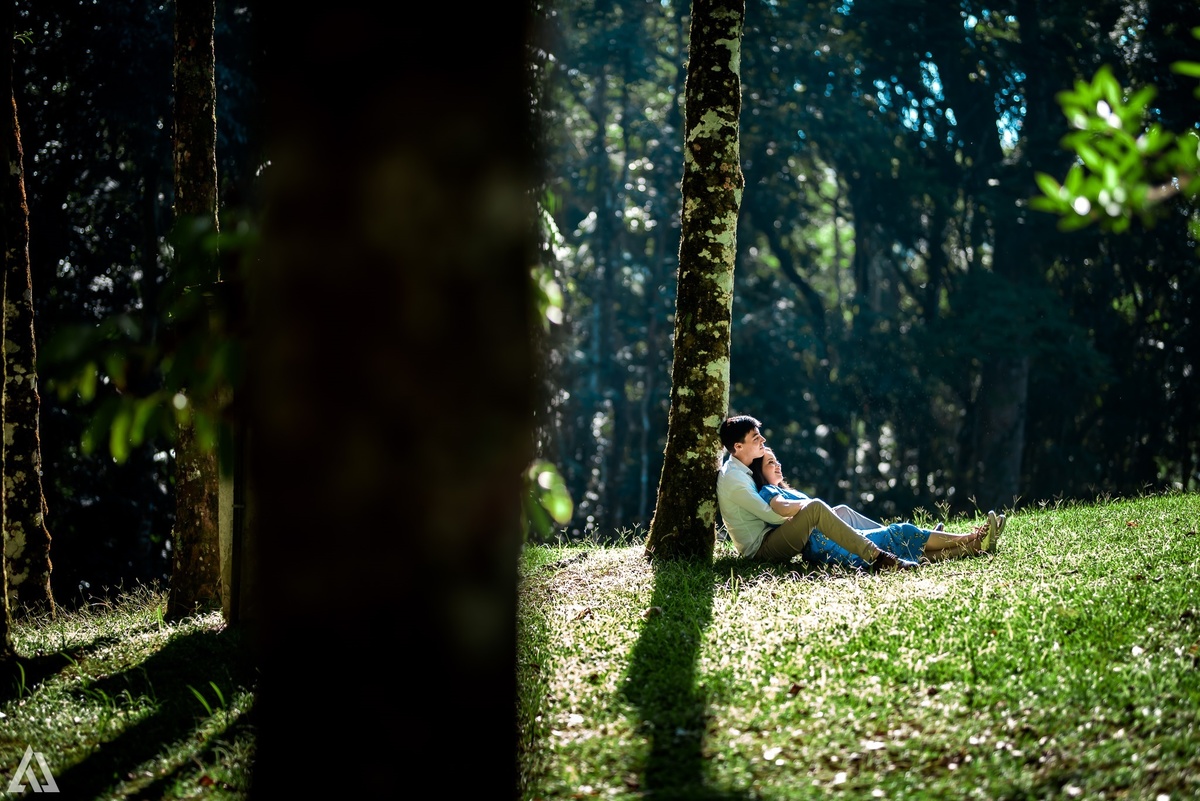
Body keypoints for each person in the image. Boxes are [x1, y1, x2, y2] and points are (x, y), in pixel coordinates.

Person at [715, 414, 1003, 572]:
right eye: (756, 439)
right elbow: (773, 514)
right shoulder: (736, 480)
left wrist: (827, 518)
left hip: (778, 535)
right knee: (817, 508)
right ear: (737, 447)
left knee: (838, 511)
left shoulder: (743, 470)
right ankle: (878, 554)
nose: (763, 441)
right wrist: (810, 512)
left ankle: (974, 544)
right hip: (762, 549)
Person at [750, 447, 1004, 569]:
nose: (778, 465)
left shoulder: (786, 489)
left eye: (777, 460)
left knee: (902, 547)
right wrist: (810, 507)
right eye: (771, 462)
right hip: (828, 546)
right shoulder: (769, 491)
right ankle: (974, 537)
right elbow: (780, 507)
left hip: (830, 545)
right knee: (899, 533)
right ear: (760, 471)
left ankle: (973, 548)